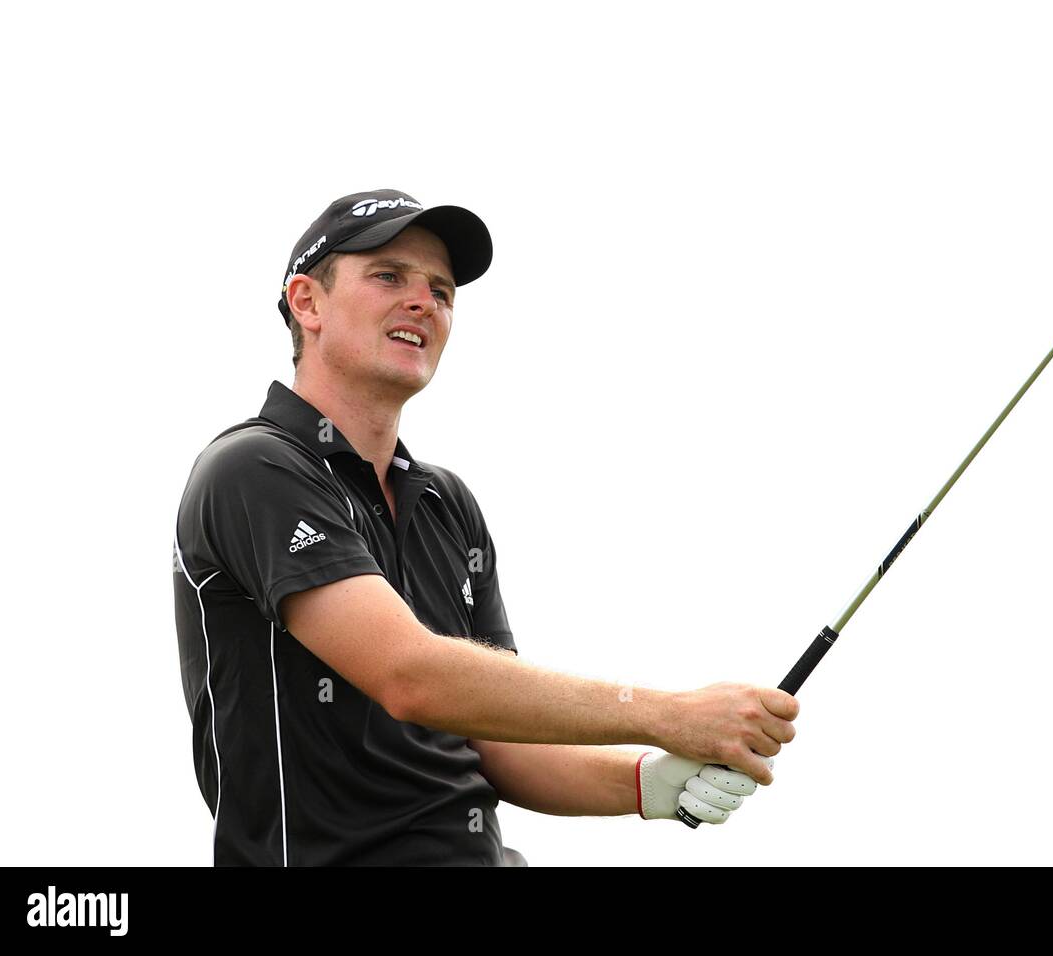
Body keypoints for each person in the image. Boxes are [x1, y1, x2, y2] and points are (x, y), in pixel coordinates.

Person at [172, 189, 798, 865]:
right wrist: (669, 713)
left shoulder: (445, 502)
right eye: (389, 276)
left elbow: (496, 743)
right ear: (307, 302)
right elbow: (412, 677)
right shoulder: (253, 469)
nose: (424, 302)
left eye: (441, 291)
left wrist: (649, 782)